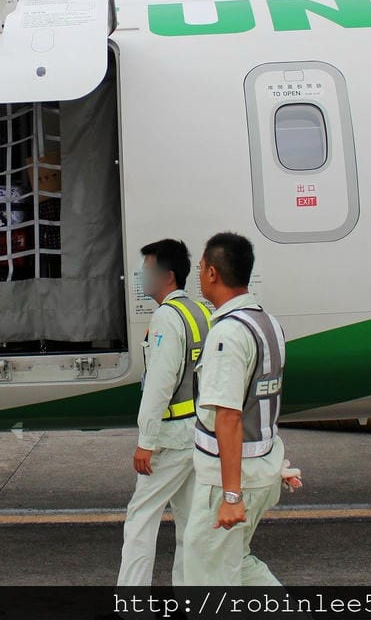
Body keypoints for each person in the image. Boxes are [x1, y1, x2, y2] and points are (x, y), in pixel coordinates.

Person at [183, 232, 285, 586]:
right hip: (261, 467)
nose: (198, 276)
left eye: (200, 269)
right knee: (237, 565)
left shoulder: (228, 334)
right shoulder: (267, 324)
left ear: (212, 273)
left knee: (205, 578)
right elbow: (262, 401)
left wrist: (231, 496)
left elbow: (228, 416)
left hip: (230, 478)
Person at [117, 239, 213, 587]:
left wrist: (146, 440)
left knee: (141, 518)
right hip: (200, 432)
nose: (142, 277)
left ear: (168, 276)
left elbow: (159, 383)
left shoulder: (166, 318)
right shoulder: (201, 312)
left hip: (171, 437)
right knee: (190, 522)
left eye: (147, 271)